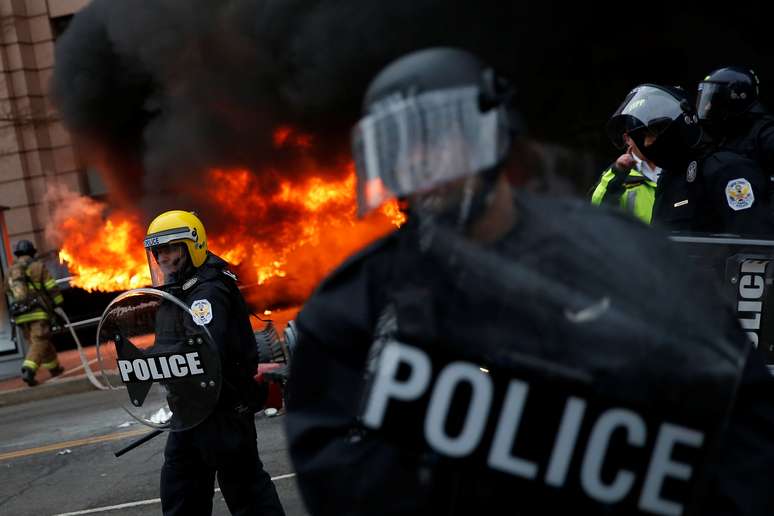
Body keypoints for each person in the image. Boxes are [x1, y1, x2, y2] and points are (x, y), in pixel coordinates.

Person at [285, 48, 774, 515]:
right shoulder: (353, 305)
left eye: (446, 143)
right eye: (409, 151)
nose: (431, 170)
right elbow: (335, 470)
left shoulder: (618, 251)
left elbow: (739, 401)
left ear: (494, 137)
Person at [143, 210, 285, 516]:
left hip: (223, 413)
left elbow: (203, 348)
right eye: (159, 251)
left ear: (192, 244)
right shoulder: (176, 289)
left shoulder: (208, 290)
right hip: (188, 412)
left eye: (171, 248)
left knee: (248, 495)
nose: (164, 258)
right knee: (181, 497)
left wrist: (148, 362)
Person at [607, 83, 774, 235]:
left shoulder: (725, 170)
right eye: (641, 137)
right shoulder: (669, 178)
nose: (646, 143)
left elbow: (752, 247)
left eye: (651, 134)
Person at [4, 239, 64, 386]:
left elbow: (7, 290)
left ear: (18, 254)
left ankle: (54, 368)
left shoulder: (11, 271)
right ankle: (28, 370)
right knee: (40, 340)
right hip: (39, 312)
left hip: (21, 315)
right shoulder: (38, 267)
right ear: (31, 253)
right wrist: (58, 303)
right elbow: (51, 287)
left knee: (41, 341)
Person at [697, 66, 774, 174]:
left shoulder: (766, 133)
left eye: (714, 99)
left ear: (736, 99)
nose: (707, 107)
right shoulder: (725, 131)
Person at [589, 135, 660, 224]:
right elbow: (598, 209)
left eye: (656, 133)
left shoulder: (677, 170)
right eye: (644, 134)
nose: (651, 140)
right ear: (628, 139)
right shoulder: (617, 174)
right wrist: (618, 173)